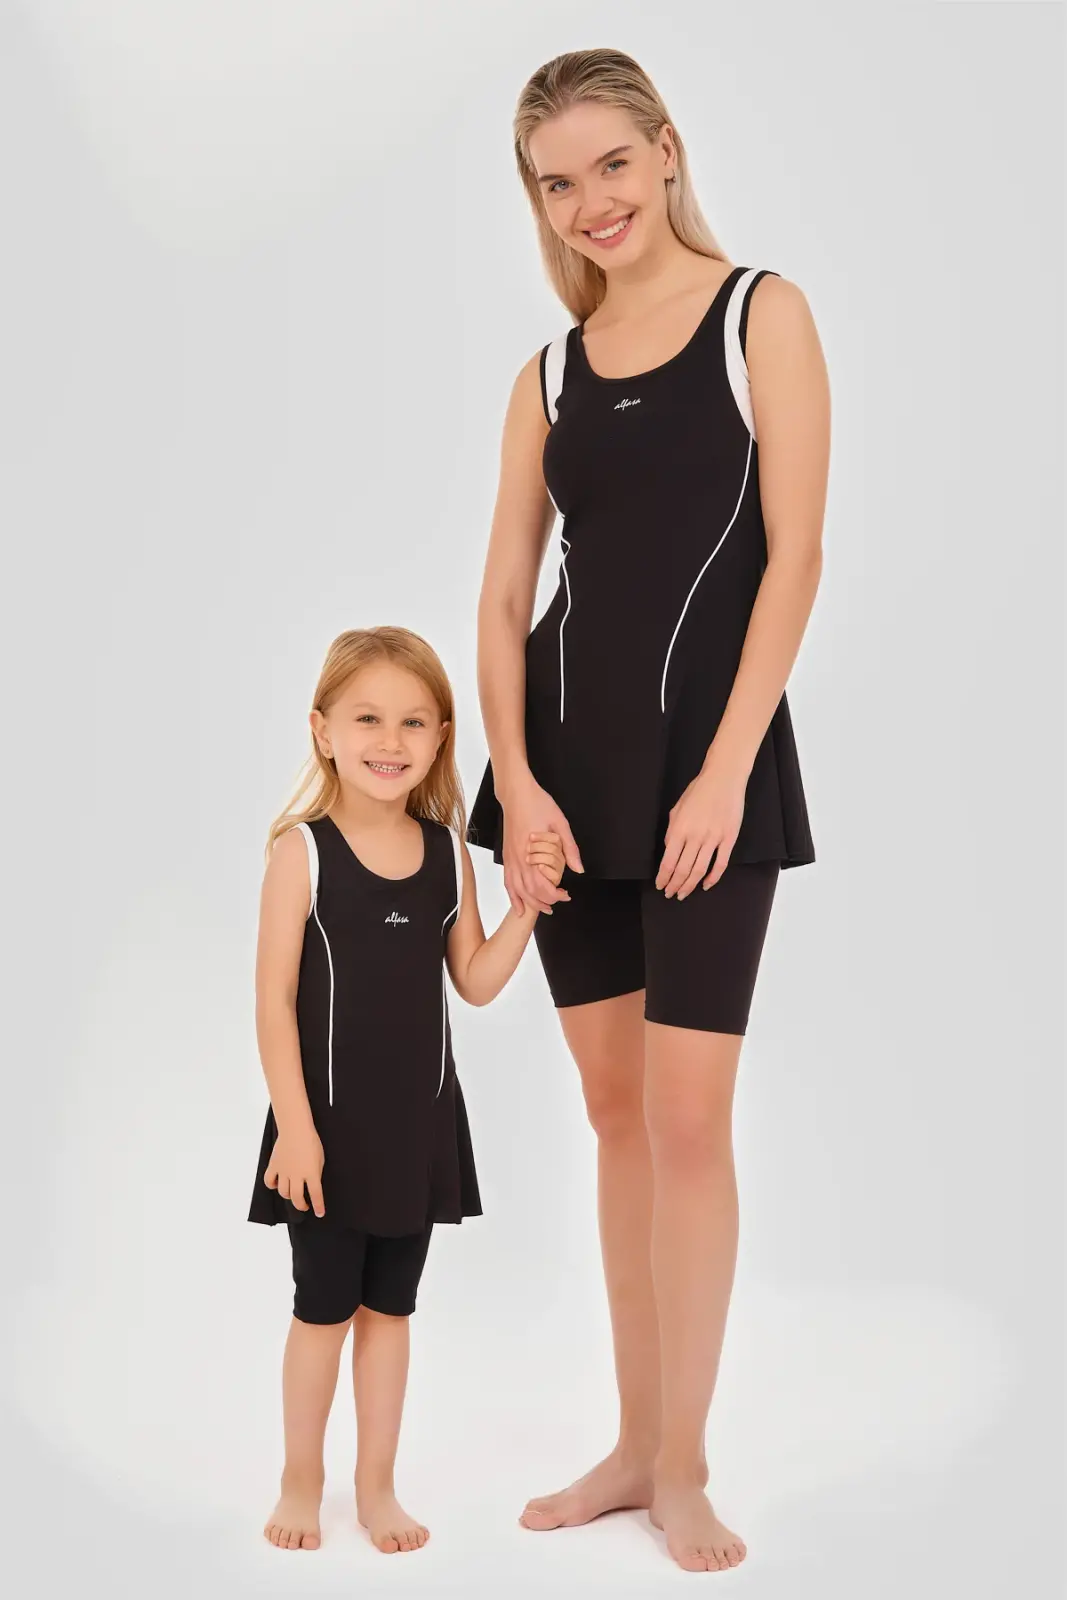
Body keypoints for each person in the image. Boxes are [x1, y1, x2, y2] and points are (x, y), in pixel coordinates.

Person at [467, 49, 829, 1575]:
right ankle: (629, 1443)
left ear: (665, 151)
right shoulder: (545, 376)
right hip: (563, 778)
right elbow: (503, 597)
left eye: (610, 164)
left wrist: (726, 767)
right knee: (613, 1117)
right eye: (557, 183)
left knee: (687, 1121)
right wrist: (518, 785)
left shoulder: (761, 316)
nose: (590, 203)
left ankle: (684, 1463)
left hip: (705, 775)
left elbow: (793, 558)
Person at [248, 626, 565, 1555]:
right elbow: (271, 1003)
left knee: (391, 1312)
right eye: (368, 719)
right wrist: (295, 1130)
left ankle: (377, 1486)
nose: (390, 741)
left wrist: (524, 911)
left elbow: (474, 980)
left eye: (413, 722)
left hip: (417, 1129)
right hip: (322, 1135)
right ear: (322, 731)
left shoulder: (445, 853)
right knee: (321, 1311)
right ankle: (299, 1481)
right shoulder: (300, 853)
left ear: (439, 739)